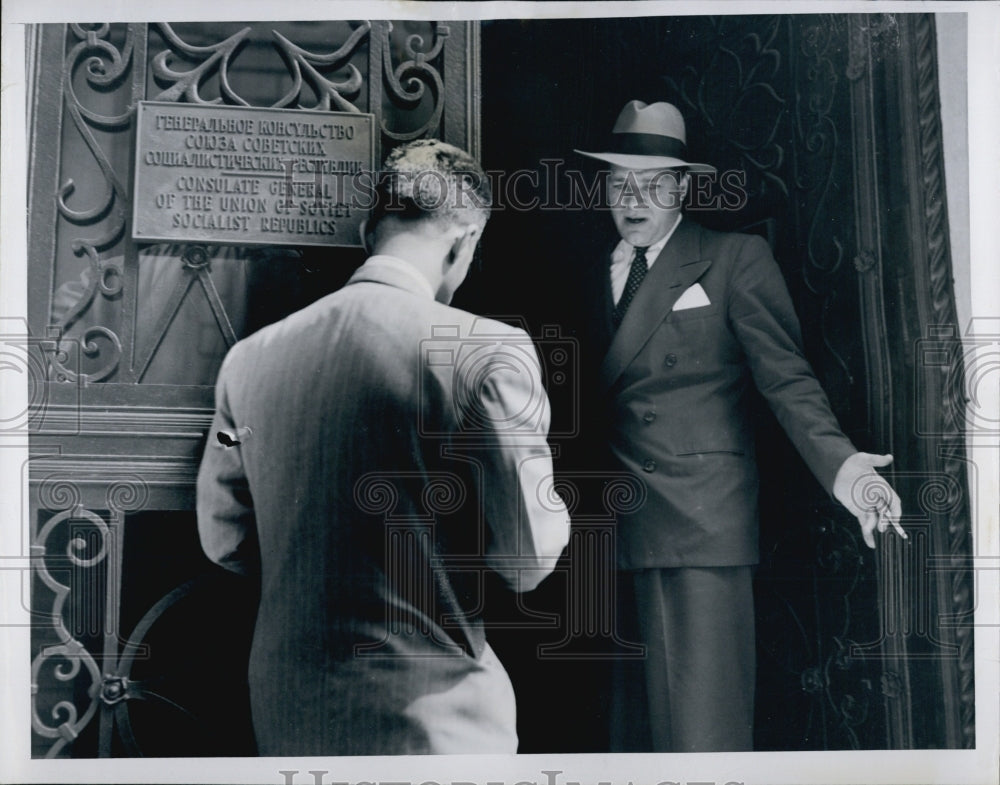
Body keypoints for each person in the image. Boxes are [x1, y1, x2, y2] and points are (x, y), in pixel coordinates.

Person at [196, 139, 570, 755]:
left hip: (290, 711)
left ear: (370, 227)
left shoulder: (249, 360)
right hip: (431, 719)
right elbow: (528, 556)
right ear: (464, 241)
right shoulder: (484, 351)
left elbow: (225, 541)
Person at [573, 100, 907, 752]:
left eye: (653, 183)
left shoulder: (733, 258)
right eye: (619, 183)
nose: (633, 200)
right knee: (628, 743)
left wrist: (847, 471)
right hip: (607, 534)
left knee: (703, 740)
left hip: (699, 529)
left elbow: (788, 381)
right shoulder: (592, 272)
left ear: (684, 187)